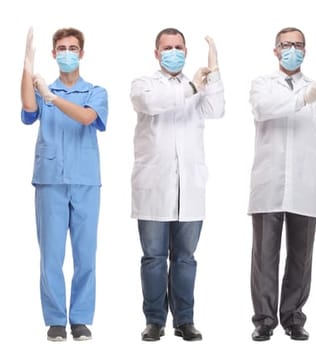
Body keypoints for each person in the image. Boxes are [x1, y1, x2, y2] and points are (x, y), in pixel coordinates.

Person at [246, 27, 316, 342]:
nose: (293, 49)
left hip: (305, 183)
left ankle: (293, 318)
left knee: (301, 257)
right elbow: (265, 110)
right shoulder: (263, 85)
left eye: (299, 45)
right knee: (265, 256)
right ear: (275, 50)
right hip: (268, 183)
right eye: (287, 44)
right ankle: (264, 319)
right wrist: (306, 96)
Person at [129, 27, 224, 342]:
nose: (174, 52)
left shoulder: (197, 84)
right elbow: (152, 104)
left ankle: (185, 320)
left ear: (186, 51)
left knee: (185, 257)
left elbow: (216, 110)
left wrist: (215, 72)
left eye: (179, 47)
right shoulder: (144, 84)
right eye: (167, 47)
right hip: (154, 186)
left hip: (190, 186)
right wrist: (193, 86)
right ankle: (154, 320)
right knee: (154, 257)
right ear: (156, 53)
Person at [20, 26, 110, 342]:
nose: (67, 53)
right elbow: (30, 109)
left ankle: (81, 319)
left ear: (82, 53)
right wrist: (27, 65)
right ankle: (56, 319)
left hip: (85, 181)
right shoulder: (43, 89)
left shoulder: (95, 92)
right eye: (61, 48)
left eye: (73, 48)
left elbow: (86, 119)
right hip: (50, 181)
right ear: (54, 54)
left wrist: (52, 98)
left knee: (86, 255)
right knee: (51, 256)